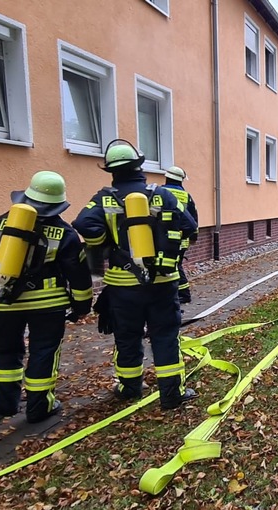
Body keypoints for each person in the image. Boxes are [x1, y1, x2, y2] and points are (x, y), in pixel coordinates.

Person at [72, 140, 200, 410]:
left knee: (127, 335)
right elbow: (189, 226)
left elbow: (83, 223)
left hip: (122, 286)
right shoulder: (161, 194)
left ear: (111, 171)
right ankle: (172, 394)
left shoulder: (104, 198)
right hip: (163, 282)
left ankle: (129, 388)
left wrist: (107, 243)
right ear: (139, 165)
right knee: (165, 335)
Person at [0, 171, 93, 423]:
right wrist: (83, 304)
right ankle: (40, 405)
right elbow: (78, 273)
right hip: (48, 305)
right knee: (44, 351)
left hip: (6, 300)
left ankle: (2, 402)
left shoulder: (1, 223)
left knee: (6, 350)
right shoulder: (65, 232)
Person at [162, 166, 197, 305]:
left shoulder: (160, 193)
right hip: (181, 239)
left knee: (171, 266)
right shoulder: (186, 196)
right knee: (176, 264)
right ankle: (178, 293)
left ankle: (183, 294)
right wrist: (193, 237)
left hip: (162, 239)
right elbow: (193, 218)